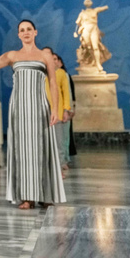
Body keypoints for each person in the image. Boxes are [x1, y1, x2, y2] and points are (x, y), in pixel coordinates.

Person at [0, 20, 65, 209]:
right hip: (19, 109)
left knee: (42, 150)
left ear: (35, 32)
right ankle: (27, 197)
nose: (25, 33)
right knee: (23, 152)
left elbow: (52, 82)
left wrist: (55, 109)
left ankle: (45, 195)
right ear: (18, 35)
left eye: (28, 29)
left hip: (40, 108)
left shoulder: (45, 56)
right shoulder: (12, 55)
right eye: (22, 30)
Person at [43, 47, 72, 176]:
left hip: (57, 111)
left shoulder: (60, 73)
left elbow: (66, 92)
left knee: (59, 142)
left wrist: (66, 109)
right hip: (42, 112)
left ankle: (59, 168)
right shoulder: (39, 73)